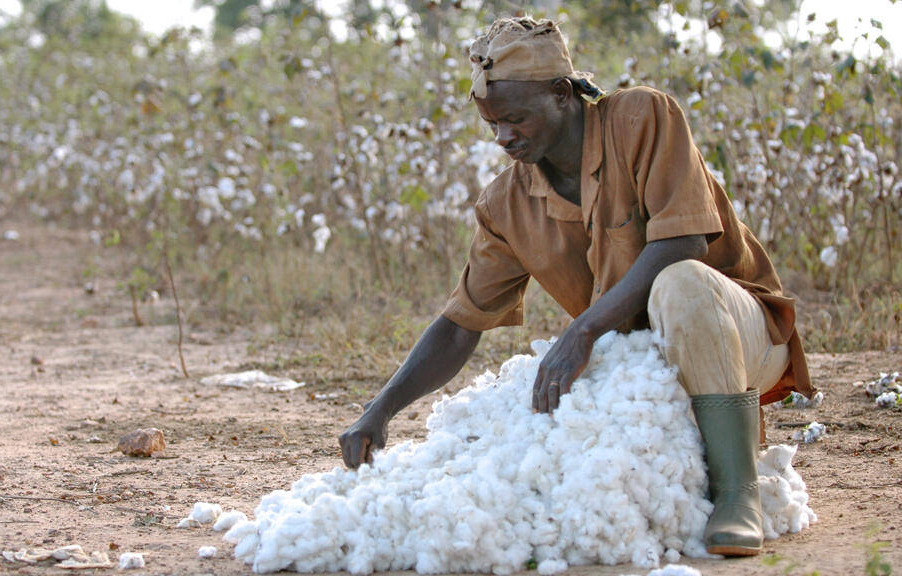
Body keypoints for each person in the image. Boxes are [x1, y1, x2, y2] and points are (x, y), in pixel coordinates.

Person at [338, 17, 814, 557]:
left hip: (742, 339)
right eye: (491, 123)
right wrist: (380, 409)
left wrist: (582, 331)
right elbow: (459, 326)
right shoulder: (506, 204)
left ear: (562, 94)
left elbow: (683, 243)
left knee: (680, 281)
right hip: (651, 368)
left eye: (516, 119)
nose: (503, 138)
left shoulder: (641, 118)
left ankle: (737, 494)